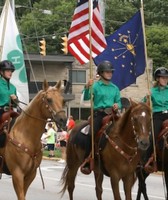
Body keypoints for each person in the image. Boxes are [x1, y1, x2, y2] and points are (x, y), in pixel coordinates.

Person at [81, 60, 122, 173]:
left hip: (112, 114)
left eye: (111, 72)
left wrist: (117, 105)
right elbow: (86, 98)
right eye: (107, 72)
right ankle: (87, 159)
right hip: (99, 114)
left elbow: (119, 101)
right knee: (91, 134)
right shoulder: (95, 86)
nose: (109, 74)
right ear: (101, 73)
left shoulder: (115, 88)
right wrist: (87, 87)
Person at [144, 67, 168, 171]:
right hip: (157, 115)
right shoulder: (152, 91)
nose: (165, 80)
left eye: (166, 78)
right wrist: (147, 98)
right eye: (163, 78)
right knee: (152, 136)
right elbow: (144, 105)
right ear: (157, 79)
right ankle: (146, 159)